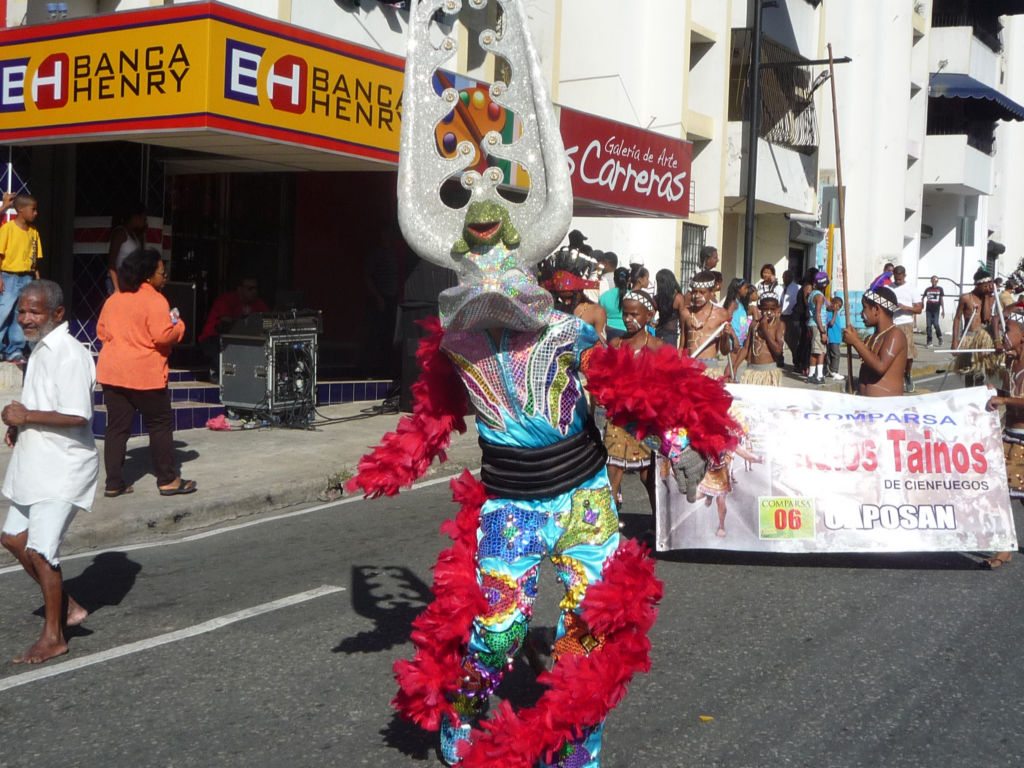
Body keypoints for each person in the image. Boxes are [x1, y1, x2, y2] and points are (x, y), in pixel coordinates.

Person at [0, 280, 97, 664]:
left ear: (58, 314)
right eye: (22, 311)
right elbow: (43, 401)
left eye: (34, 311)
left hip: (63, 466)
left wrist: (27, 416)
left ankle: (55, 636)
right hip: (35, 461)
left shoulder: (70, 354)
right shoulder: (40, 348)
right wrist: (19, 423)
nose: (25, 318)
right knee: (12, 538)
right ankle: (68, 605)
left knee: (41, 550)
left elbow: (78, 414)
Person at [96, 248, 196, 497]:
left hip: (113, 372)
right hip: (145, 374)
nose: (165, 276)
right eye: (162, 272)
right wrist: (178, 324)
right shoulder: (155, 300)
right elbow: (164, 335)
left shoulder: (114, 299)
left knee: (116, 428)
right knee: (160, 425)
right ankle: (167, 479)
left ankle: (114, 483)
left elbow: (101, 333)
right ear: (149, 276)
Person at [604, 290, 664, 512]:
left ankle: (657, 527)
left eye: (635, 314)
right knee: (613, 470)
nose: (628, 319)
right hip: (618, 420)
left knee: (648, 476)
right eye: (625, 314)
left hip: (646, 422)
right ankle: (606, 529)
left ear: (649, 316)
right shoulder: (617, 343)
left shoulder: (658, 347)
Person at [984, 309, 1024, 569]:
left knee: (1014, 495)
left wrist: (1004, 399)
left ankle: (1004, 546)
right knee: (1002, 494)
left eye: (1008, 330)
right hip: (1010, 436)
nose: (1003, 336)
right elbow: (1009, 393)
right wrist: (994, 391)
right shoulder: (1011, 363)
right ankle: (1004, 546)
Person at [0, 193, 42, 363]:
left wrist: (37, 281)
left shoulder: (33, 232)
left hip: (27, 277)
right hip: (9, 277)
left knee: (21, 313)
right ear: (21, 210)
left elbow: (34, 260)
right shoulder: (7, 229)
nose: (36, 213)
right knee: (3, 311)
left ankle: (15, 350)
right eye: (33, 209)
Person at [842, 287, 907, 397]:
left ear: (876, 309)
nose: (861, 313)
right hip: (866, 405)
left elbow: (880, 367)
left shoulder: (895, 335)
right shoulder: (870, 338)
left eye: (865, 308)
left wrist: (856, 341)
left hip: (886, 408)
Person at [197, 275, 269, 372]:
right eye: (250, 288)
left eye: (256, 288)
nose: (254, 291)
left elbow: (268, 319)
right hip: (213, 339)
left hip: (242, 342)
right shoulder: (226, 300)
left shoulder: (258, 302)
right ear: (240, 289)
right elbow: (227, 324)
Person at [537, 247, 607, 339]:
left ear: (580, 290)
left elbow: (601, 345)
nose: (566, 302)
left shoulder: (597, 311)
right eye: (562, 297)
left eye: (570, 297)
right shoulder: (555, 310)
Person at [681, 270, 738, 378]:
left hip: (710, 371)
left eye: (702, 292)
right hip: (689, 368)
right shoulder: (685, 313)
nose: (697, 296)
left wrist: (725, 336)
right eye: (694, 291)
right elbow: (682, 347)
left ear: (712, 292)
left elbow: (725, 351)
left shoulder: (721, 314)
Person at [951, 268, 1000, 386]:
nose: (987, 288)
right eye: (985, 286)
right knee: (969, 371)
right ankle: (968, 395)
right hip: (968, 337)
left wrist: (987, 298)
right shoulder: (966, 298)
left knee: (980, 373)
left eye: (989, 286)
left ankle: (978, 396)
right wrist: (955, 341)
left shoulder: (990, 298)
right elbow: (957, 318)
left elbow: (987, 318)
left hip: (983, 339)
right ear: (977, 285)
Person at [890, 265, 922, 393]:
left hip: (906, 323)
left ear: (904, 276)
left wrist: (905, 307)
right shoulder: (888, 288)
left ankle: (907, 375)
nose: (897, 282)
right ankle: (894, 377)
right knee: (892, 353)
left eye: (899, 279)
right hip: (892, 323)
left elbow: (919, 309)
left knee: (908, 354)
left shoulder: (911, 288)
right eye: (895, 279)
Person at [741, 294, 785, 386]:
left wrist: (765, 331)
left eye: (772, 309)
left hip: (768, 372)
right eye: (765, 309)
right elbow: (745, 348)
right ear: (759, 308)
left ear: (777, 309)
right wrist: (734, 367)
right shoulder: (754, 325)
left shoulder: (779, 325)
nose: (769, 312)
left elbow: (778, 351)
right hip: (752, 371)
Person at [106, 202, 146, 294]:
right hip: (119, 282)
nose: (144, 222)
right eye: (143, 218)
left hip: (130, 283)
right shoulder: (120, 233)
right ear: (135, 217)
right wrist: (116, 288)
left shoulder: (133, 234)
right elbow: (111, 262)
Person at [723, 278, 754, 378]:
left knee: (735, 364)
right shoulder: (733, 304)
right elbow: (726, 321)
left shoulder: (740, 304)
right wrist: (734, 337)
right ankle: (727, 381)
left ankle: (732, 379)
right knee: (731, 364)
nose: (746, 291)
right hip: (734, 340)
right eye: (745, 288)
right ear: (738, 289)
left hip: (741, 340)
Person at [805, 271, 829, 383]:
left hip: (812, 324)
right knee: (820, 351)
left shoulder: (812, 294)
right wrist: (823, 331)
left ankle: (811, 374)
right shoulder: (819, 296)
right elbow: (818, 314)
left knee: (816, 350)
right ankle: (819, 375)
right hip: (818, 325)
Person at [654, 268, 685, 347]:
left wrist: (654, 323)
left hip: (658, 333)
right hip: (671, 335)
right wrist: (681, 347)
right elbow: (683, 324)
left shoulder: (657, 298)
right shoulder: (678, 298)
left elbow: (649, 316)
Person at [598, 265, 630, 340]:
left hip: (608, 332)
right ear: (629, 280)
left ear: (614, 279)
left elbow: (600, 315)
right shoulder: (633, 296)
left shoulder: (604, 296)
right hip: (627, 331)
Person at [780, 269, 800, 367]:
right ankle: (780, 359)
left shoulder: (796, 288)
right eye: (783, 277)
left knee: (792, 339)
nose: (784, 279)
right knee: (782, 338)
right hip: (782, 316)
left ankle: (796, 360)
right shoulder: (782, 288)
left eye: (786, 277)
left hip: (792, 316)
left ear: (791, 278)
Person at [825, 296, 847, 380]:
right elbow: (831, 323)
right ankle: (834, 371)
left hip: (837, 337)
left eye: (839, 307)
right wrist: (834, 312)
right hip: (832, 337)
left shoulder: (836, 314)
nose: (837, 308)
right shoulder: (830, 313)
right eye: (836, 305)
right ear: (832, 303)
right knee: (834, 354)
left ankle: (832, 370)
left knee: (835, 354)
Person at [922, 275, 944, 347]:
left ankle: (940, 337)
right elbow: (923, 297)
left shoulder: (940, 289)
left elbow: (941, 299)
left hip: (936, 309)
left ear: (937, 282)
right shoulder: (928, 289)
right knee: (928, 325)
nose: (934, 282)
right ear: (931, 281)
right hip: (928, 309)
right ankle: (929, 341)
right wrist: (922, 304)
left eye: (935, 281)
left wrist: (943, 310)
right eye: (933, 281)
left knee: (935, 324)